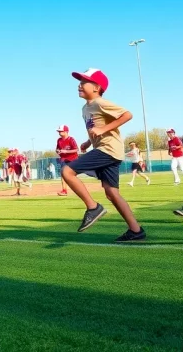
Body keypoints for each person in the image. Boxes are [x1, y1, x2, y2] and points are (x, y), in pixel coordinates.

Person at [61, 68, 145, 242]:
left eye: (84, 82)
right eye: (80, 81)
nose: (79, 85)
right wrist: (88, 142)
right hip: (106, 150)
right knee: (111, 192)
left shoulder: (100, 102)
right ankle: (136, 231)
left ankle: (93, 207)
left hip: (108, 149)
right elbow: (96, 128)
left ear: (97, 87)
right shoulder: (85, 108)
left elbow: (127, 114)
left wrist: (103, 129)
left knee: (67, 171)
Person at [55, 125, 79, 196]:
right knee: (63, 174)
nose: (59, 132)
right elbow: (57, 149)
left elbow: (76, 149)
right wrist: (58, 151)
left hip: (72, 159)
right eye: (59, 131)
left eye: (61, 131)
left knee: (73, 175)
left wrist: (66, 151)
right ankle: (64, 190)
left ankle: (77, 189)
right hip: (63, 159)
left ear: (66, 131)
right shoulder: (59, 140)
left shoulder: (71, 139)